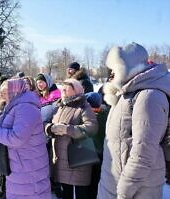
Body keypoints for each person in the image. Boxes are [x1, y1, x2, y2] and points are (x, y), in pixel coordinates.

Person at [98, 42, 170, 199]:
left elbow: (143, 152)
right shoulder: (127, 93)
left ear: (127, 67)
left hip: (135, 190)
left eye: (114, 69)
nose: (111, 74)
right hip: (113, 182)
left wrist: (123, 192)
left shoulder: (148, 96)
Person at [0, 79, 51, 198]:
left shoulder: (26, 107)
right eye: (1, 91)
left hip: (27, 165)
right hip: (21, 163)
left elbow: (18, 137)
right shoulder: (15, 105)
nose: (2, 95)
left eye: (5, 92)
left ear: (15, 91)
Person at [45, 79, 98, 199]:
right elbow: (46, 123)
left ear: (76, 90)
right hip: (60, 158)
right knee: (65, 192)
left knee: (80, 193)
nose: (62, 91)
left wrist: (67, 129)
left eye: (66, 88)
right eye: (62, 88)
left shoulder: (83, 106)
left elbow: (92, 128)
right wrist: (50, 128)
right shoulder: (59, 106)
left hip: (77, 158)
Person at [35, 73, 61, 196]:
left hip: (54, 131)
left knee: (55, 159)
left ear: (48, 82)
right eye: (38, 82)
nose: (39, 84)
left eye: (41, 81)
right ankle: (48, 182)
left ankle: (56, 184)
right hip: (42, 133)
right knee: (45, 160)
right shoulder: (39, 97)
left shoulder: (56, 94)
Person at [85, 92, 108, 199]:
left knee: (90, 182)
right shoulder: (106, 114)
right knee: (97, 181)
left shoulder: (91, 117)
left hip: (91, 153)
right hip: (103, 154)